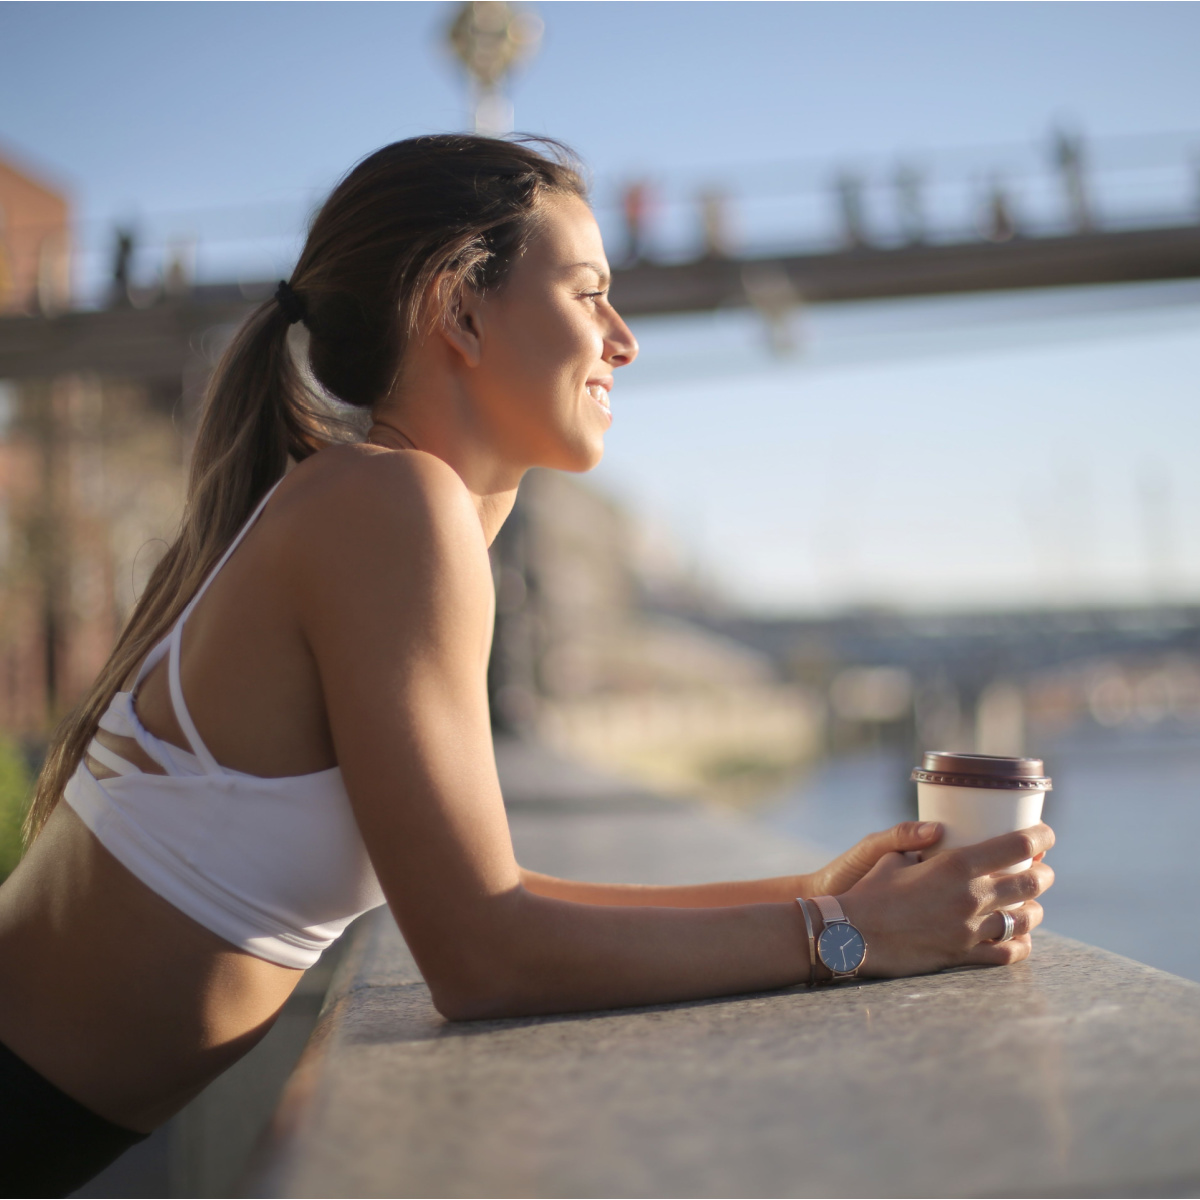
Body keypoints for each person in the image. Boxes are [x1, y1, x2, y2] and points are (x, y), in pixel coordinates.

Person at [0, 135, 1054, 1193]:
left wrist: (815, 891)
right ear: (459, 310)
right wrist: (846, 938)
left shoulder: (375, 504)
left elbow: (492, 893)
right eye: (590, 293)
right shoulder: (388, 507)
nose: (625, 340)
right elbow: (483, 957)